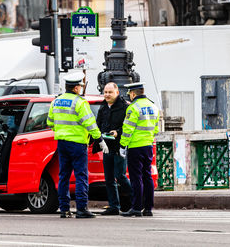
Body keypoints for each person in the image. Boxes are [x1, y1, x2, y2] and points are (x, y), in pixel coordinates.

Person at [47, 72, 109, 218]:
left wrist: (63, 131)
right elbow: (90, 124)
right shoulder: (80, 103)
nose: (81, 89)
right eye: (80, 86)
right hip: (78, 144)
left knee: (63, 176)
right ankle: (81, 209)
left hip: (62, 143)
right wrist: (99, 139)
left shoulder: (56, 101)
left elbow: (50, 123)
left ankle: (64, 209)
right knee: (81, 176)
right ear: (76, 88)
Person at [119, 82, 160, 217]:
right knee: (147, 176)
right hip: (148, 146)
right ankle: (148, 208)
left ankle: (136, 207)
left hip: (135, 146)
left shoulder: (133, 108)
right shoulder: (154, 107)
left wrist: (123, 145)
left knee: (136, 178)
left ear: (133, 93)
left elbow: (128, 129)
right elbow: (156, 129)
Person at [95, 82, 133, 215]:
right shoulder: (103, 106)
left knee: (120, 176)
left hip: (119, 146)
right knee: (109, 178)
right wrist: (99, 135)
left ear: (117, 92)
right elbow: (98, 123)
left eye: (110, 92)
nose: (107, 95)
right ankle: (114, 206)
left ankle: (136, 202)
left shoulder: (124, 107)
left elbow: (129, 126)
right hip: (107, 146)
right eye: (105, 92)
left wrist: (117, 132)